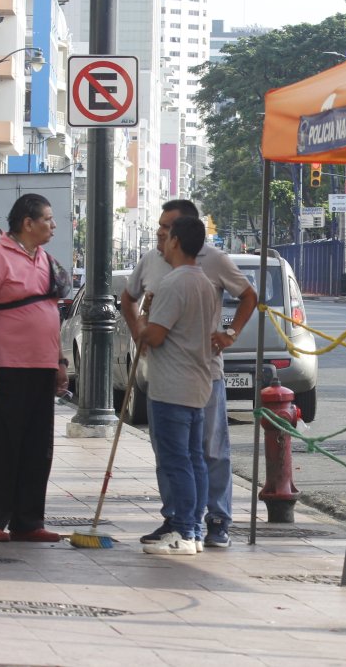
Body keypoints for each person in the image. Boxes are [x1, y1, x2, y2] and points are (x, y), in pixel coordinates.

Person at [121, 199, 257, 550]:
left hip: (191, 377)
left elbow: (158, 333)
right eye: (159, 226)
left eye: (167, 229)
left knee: (200, 452)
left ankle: (206, 521)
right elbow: (128, 299)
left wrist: (229, 333)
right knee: (179, 455)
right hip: (177, 375)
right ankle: (182, 519)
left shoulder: (200, 270)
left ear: (181, 236)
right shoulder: (163, 265)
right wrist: (138, 331)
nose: (160, 234)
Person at [0, 193, 66, 543]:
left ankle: (28, 521)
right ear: (28, 223)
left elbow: (52, 312)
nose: (53, 225)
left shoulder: (46, 260)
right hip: (5, 366)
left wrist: (60, 361)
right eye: (47, 219)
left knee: (37, 447)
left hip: (42, 366)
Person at [136, 214, 219, 556]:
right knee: (194, 459)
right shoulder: (205, 283)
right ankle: (193, 530)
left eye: (167, 236)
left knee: (177, 461)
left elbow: (155, 336)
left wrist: (142, 319)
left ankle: (184, 530)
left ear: (176, 242)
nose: (163, 243)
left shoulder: (173, 283)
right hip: (197, 382)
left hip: (172, 385)